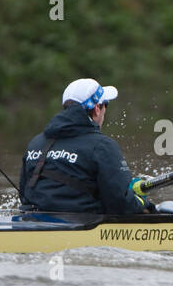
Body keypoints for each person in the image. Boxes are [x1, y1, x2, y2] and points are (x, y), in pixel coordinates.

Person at [19, 79, 152, 215]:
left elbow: (24, 194)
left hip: (33, 223)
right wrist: (141, 201)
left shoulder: (36, 143)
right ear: (96, 109)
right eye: (105, 105)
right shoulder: (102, 146)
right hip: (81, 228)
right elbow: (122, 205)